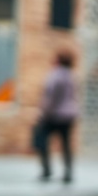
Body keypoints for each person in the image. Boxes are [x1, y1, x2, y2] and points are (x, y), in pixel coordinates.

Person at [37, 49, 79, 183]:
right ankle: (68, 173)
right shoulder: (72, 76)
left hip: (54, 115)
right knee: (66, 144)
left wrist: (43, 113)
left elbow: (50, 97)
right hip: (69, 116)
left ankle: (46, 170)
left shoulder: (55, 75)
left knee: (41, 139)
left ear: (58, 60)